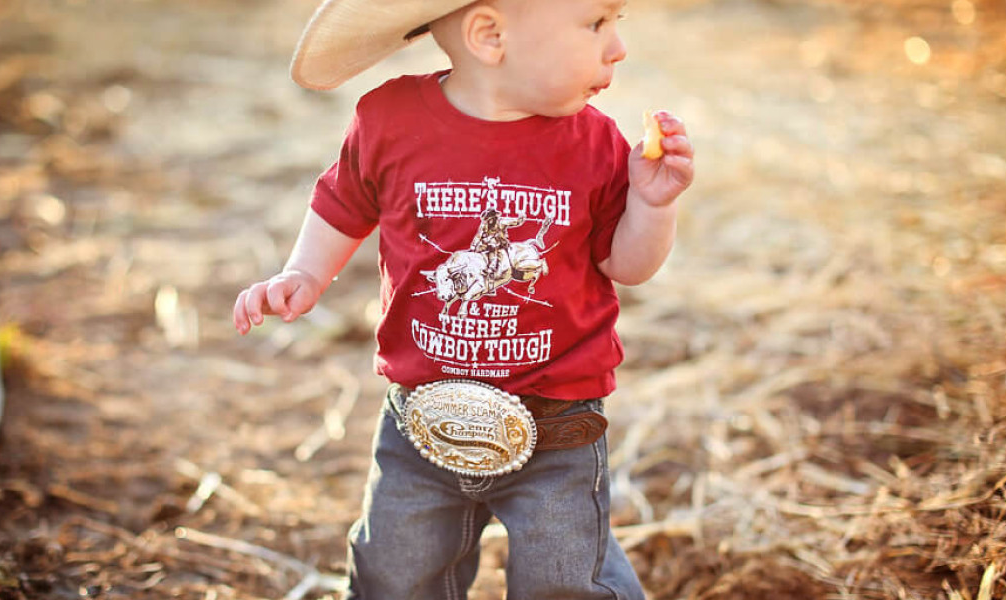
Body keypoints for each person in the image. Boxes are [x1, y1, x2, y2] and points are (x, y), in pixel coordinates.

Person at [232, 0, 695, 596]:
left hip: (557, 426)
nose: (617, 48)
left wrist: (654, 205)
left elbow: (625, 266)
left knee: (564, 580)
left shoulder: (596, 141)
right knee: (394, 574)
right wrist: (304, 273)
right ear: (489, 35)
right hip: (421, 419)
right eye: (595, 24)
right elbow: (343, 201)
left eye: (616, 24)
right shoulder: (390, 119)